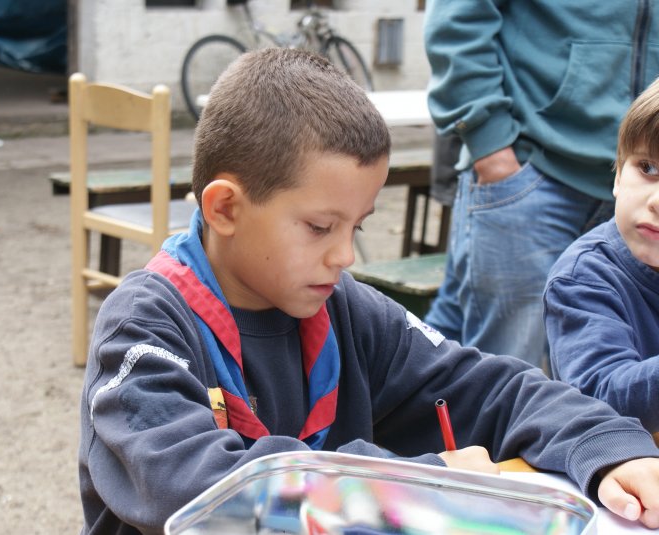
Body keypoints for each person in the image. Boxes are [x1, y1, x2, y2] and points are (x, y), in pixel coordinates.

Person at [78, 48, 659, 535]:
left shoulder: (344, 308)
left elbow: (494, 388)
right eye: (319, 227)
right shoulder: (143, 327)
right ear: (225, 208)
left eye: (355, 227)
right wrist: (427, 483)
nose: (345, 256)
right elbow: (208, 494)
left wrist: (607, 444)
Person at [421, 1, 658, 369]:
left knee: (447, 348)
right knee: (508, 371)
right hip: (531, 166)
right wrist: (490, 144)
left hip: (635, 179)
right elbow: (458, 18)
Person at [545, 77, 659, 435]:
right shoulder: (584, 278)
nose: (656, 202)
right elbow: (599, 397)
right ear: (618, 174)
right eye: (648, 168)